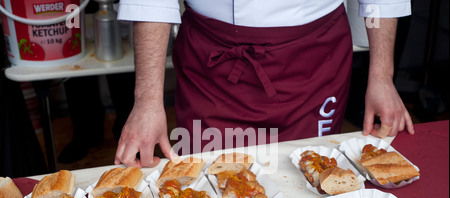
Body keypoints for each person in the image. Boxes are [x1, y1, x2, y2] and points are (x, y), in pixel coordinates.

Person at [115, 0, 415, 168]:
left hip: (312, 62)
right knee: (210, 184)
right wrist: (147, 101)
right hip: (212, 68)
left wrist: (381, 76)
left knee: (310, 178)